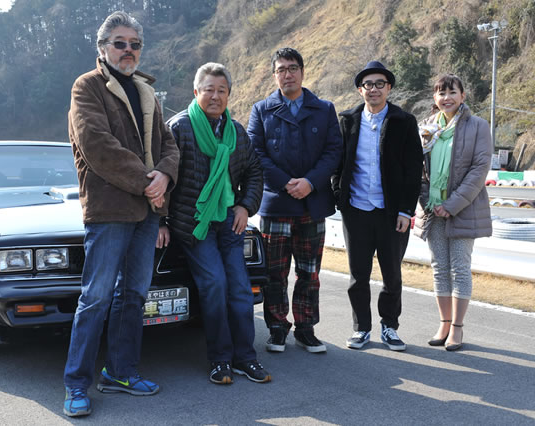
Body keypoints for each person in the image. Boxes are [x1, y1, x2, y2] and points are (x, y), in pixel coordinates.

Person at [63, 11, 179, 417]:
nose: (128, 50)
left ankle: (120, 372)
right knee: (95, 298)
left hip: (148, 210)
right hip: (110, 208)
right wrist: (148, 180)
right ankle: (76, 383)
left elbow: (169, 144)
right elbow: (97, 145)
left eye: (135, 44)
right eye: (120, 43)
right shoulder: (87, 87)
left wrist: (165, 174)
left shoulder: (147, 92)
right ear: (102, 48)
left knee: (134, 295)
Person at [158, 62, 270, 384]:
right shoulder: (179, 128)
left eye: (222, 90)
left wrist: (245, 206)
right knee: (215, 284)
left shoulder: (235, 131)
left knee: (240, 289)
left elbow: (254, 172)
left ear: (229, 94)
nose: (215, 96)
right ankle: (220, 359)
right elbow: (161, 175)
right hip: (194, 226)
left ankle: (245, 357)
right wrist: (160, 221)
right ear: (196, 92)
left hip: (228, 221)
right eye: (209, 90)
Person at [247, 47, 343, 353]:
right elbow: (255, 153)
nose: (287, 74)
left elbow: (333, 151)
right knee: (275, 273)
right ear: (274, 75)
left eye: (292, 68)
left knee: (309, 272)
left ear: (302, 71)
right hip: (277, 203)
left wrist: (310, 183)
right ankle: (277, 328)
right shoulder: (261, 110)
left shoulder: (324, 109)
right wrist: (286, 183)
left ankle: (306, 329)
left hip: (312, 204)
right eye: (281, 70)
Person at [331, 61, 423, 352]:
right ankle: (361, 328)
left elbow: (414, 170)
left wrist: (406, 210)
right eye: (368, 84)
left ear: (389, 88)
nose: (374, 89)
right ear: (360, 90)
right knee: (358, 275)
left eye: (379, 84)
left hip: (391, 213)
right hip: (356, 209)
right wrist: (339, 195)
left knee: (392, 274)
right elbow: (337, 162)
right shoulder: (347, 120)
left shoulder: (404, 121)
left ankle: (389, 326)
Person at [414, 74, 492, 351]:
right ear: (434, 97)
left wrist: (452, 204)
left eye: (452, 92)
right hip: (432, 209)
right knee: (439, 268)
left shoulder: (478, 126)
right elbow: (418, 168)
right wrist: (427, 201)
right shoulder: (426, 127)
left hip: (463, 208)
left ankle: (457, 328)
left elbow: (479, 169)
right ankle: (444, 323)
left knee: (459, 268)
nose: (446, 98)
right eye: (441, 93)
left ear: (463, 96)